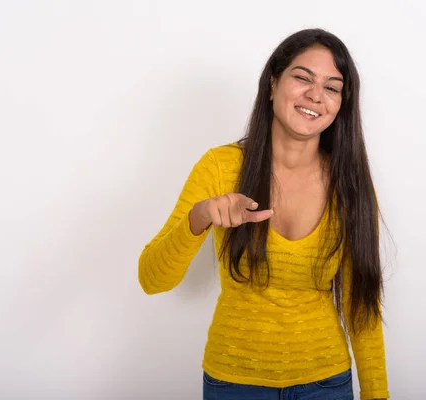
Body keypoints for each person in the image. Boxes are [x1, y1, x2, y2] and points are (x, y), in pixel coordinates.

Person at [138, 28, 389, 400]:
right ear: (272, 84)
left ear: (341, 105)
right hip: (233, 384)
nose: (315, 96)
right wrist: (200, 216)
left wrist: (377, 394)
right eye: (303, 77)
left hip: (327, 384)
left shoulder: (349, 183)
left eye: (332, 87)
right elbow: (151, 279)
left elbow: (361, 306)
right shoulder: (220, 167)